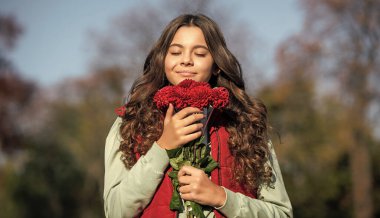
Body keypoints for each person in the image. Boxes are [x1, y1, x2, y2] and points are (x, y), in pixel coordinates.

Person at [103, 13, 292, 218]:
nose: (186, 61)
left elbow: (282, 213)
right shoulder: (130, 122)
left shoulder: (245, 124)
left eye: (200, 54)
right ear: (163, 59)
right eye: (175, 52)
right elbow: (115, 211)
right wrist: (162, 148)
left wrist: (221, 198)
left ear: (217, 64)